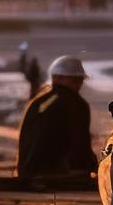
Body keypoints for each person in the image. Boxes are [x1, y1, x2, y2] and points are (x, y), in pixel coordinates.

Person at [16, 55, 99, 184]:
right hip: (54, 174)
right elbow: (80, 145)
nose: (79, 84)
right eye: (76, 80)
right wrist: (95, 167)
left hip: (27, 170)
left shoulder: (39, 101)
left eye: (80, 80)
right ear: (57, 78)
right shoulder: (76, 103)